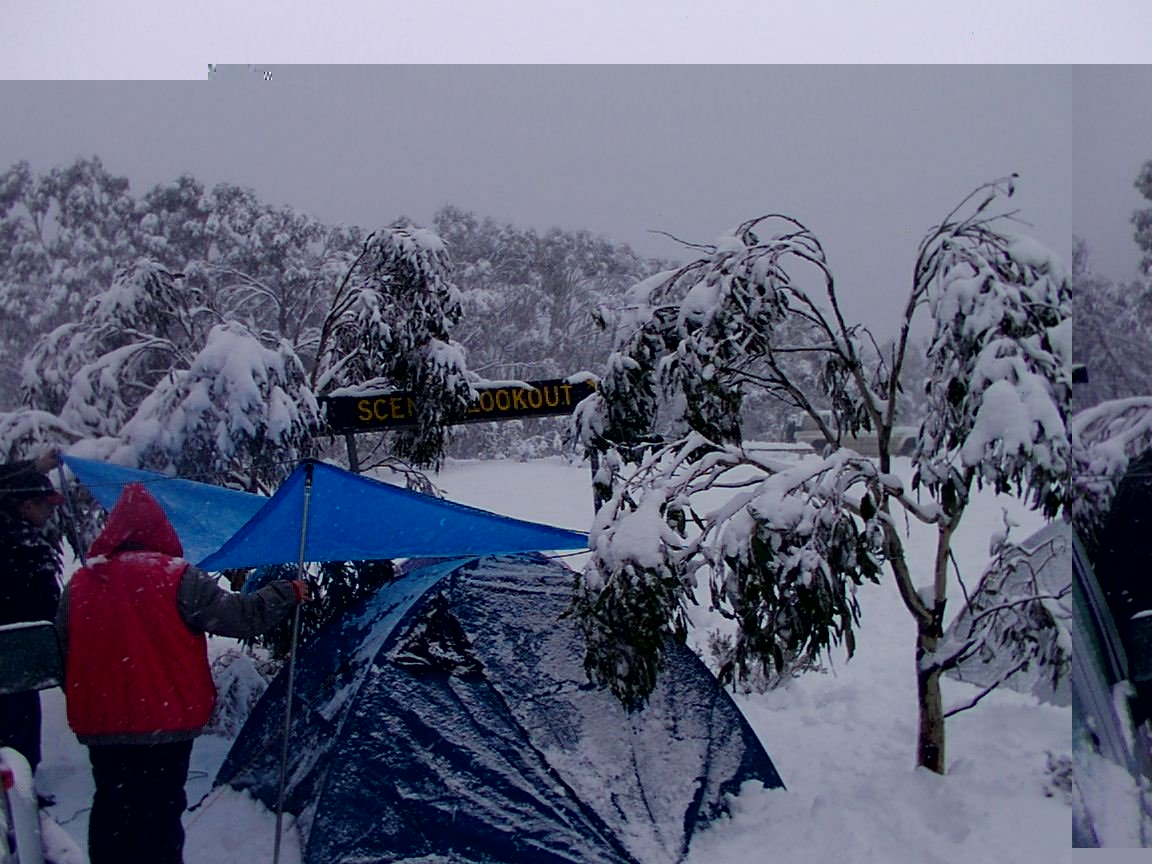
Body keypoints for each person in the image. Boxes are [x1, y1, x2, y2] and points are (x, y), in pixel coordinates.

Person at [56, 481, 310, 864]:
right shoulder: (176, 576)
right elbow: (239, 618)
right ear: (160, 529)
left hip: (103, 725)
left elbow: (63, 654)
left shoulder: (79, 584)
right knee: (160, 810)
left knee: (112, 806)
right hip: (165, 722)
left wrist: (96, 700)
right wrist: (285, 593)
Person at [0, 453, 66, 781]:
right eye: (45, 505)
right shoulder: (22, 545)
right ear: (26, 506)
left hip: (17, 649)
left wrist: (33, 468)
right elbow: (44, 602)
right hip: (16, 649)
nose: (50, 512)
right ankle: (19, 792)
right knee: (18, 727)